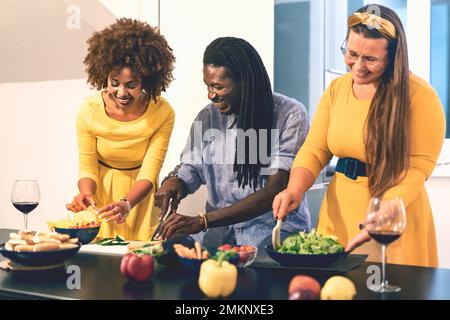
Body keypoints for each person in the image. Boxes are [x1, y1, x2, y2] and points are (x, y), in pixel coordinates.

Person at [273, 5, 446, 267]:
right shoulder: (337, 89)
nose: (358, 66)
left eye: (371, 59)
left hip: (393, 216)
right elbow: (316, 148)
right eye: (352, 53)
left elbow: (416, 167)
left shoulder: (420, 96)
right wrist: (295, 188)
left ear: (393, 57)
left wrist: (386, 209)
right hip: (339, 213)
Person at [154, 37, 310, 248]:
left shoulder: (290, 114)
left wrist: (203, 221)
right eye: (207, 86)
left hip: (273, 241)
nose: (210, 95)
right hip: (219, 241)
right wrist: (174, 182)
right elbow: (191, 168)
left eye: (218, 87)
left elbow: (276, 189)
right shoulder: (207, 117)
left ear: (245, 82)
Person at [66, 18, 176, 241]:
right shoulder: (88, 110)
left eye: (131, 85)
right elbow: (87, 167)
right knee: (96, 266)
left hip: (140, 196)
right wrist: (86, 192)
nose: (121, 92)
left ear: (146, 81)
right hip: (102, 196)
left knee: (141, 262)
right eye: (114, 82)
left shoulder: (162, 112)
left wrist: (127, 203)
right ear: (104, 74)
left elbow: (149, 172)